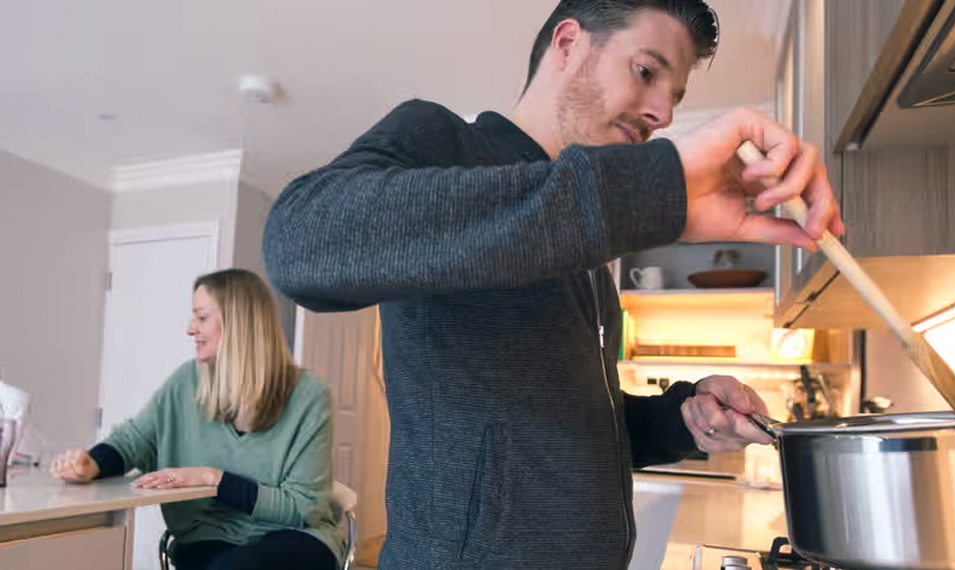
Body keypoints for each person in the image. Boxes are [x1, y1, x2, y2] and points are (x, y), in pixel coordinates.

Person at [263, 1, 843, 568]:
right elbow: (300, 243)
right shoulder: (444, 143)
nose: (663, 114)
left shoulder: (589, 253)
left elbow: (577, 428)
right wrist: (645, 189)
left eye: (675, 97)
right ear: (567, 43)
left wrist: (682, 418)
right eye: (646, 71)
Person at [50, 269, 340, 570]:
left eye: (201, 318)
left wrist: (213, 479)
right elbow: (133, 440)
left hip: (294, 536)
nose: (190, 329)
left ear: (238, 324)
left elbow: (304, 508)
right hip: (209, 537)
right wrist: (93, 463)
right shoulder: (185, 383)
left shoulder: (310, 396)